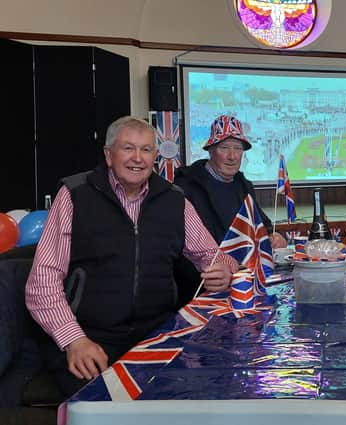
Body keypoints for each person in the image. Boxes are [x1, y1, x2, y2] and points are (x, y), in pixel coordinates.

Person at [25, 116, 239, 398]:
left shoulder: (174, 199)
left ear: (155, 156)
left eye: (147, 150)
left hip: (157, 337)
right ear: (108, 155)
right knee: (101, 412)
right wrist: (74, 340)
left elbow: (213, 256)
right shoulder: (75, 195)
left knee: (201, 397)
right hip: (90, 339)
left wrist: (224, 270)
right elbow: (43, 281)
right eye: (128, 148)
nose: (138, 158)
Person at [174, 114, 287, 248]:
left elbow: (264, 227)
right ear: (211, 151)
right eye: (225, 148)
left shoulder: (244, 186)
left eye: (238, 148)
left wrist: (276, 237)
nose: (232, 156)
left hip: (243, 266)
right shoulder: (186, 187)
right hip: (206, 267)